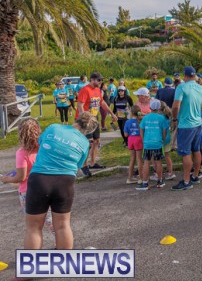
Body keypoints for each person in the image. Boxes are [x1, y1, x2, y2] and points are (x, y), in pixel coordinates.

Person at [23, 113, 97, 250]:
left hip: (40, 178)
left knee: (33, 228)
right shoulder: (84, 143)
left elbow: (40, 142)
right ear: (88, 130)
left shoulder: (54, 127)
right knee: (63, 226)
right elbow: (80, 164)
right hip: (65, 182)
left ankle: (32, 263)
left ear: (76, 120)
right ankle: (65, 262)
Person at [0, 120, 54, 236]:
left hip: (28, 192)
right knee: (52, 222)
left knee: (33, 227)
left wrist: (5, 179)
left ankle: (35, 247)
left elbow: (21, 177)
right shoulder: (45, 148)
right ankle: (63, 244)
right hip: (47, 188)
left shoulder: (22, 153)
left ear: (21, 134)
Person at [171, 66, 202, 191]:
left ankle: (186, 181)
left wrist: (174, 118)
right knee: (196, 150)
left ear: (185, 75)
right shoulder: (200, 88)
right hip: (197, 124)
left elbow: (175, 106)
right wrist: (196, 109)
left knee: (185, 153)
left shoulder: (181, 87)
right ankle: (195, 176)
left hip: (185, 125)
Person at [76, 72, 118, 177]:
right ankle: (84, 165)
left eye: (101, 80)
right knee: (88, 143)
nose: (100, 82)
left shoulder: (98, 90)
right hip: (86, 120)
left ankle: (93, 163)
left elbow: (102, 103)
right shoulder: (85, 90)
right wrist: (84, 119)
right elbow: (80, 105)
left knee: (97, 141)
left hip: (94, 118)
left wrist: (112, 113)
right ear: (92, 80)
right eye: (99, 80)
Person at [136, 100, 169, 190]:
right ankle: (160, 181)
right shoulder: (161, 118)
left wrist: (143, 139)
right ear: (159, 108)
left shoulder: (145, 117)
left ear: (150, 107)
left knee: (146, 162)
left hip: (147, 143)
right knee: (158, 162)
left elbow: (141, 128)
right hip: (158, 143)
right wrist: (162, 139)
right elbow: (164, 131)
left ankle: (145, 183)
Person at [124, 105, 143, 185]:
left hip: (130, 140)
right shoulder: (140, 121)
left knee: (132, 159)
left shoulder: (127, 122)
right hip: (138, 139)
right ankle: (141, 178)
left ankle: (130, 178)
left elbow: (125, 134)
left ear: (131, 112)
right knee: (139, 159)